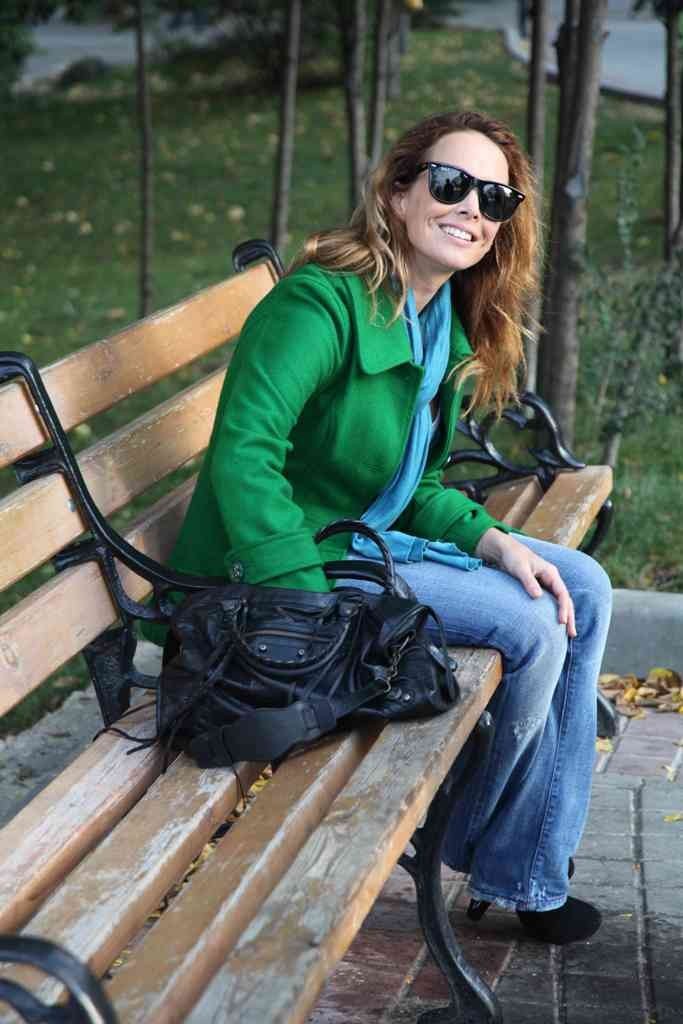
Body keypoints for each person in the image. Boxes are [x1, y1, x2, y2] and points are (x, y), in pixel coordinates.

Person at [166, 110, 612, 944]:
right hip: (284, 567)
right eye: (450, 184)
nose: (471, 207)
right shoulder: (319, 305)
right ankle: (485, 845)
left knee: (581, 586)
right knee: (531, 626)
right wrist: (302, 604)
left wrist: (493, 542)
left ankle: (521, 863)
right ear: (398, 193)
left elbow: (416, 486)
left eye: (494, 197)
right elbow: (244, 456)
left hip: (360, 542)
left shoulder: (439, 318)